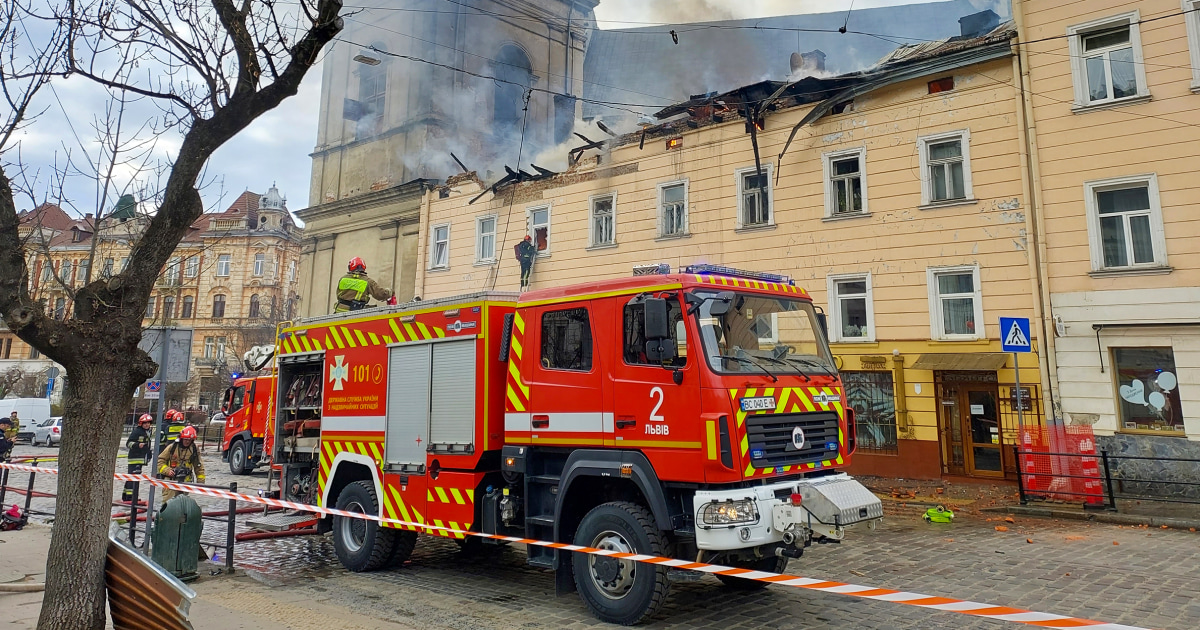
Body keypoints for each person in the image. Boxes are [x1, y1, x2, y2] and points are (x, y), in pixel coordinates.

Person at [157, 425, 205, 506]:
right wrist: (167, 470)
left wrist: (201, 482)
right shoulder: (172, 447)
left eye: (189, 440)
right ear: (181, 438)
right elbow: (160, 461)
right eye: (185, 439)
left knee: (182, 505)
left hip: (185, 482)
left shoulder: (194, 448)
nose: (187, 442)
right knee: (168, 505)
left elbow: (198, 466)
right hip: (171, 481)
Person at [122, 414, 154, 503]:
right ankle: (130, 497)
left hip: (140, 459)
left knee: (133, 478)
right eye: (145, 423)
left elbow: (147, 446)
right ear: (141, 423)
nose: (147, 425)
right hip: (134, 458)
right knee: (133, 478)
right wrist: (137, 445)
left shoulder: (147, 432)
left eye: (148, 423)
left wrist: (149, 455)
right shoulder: (137, 432)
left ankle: (127, 496)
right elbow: (128, 443)